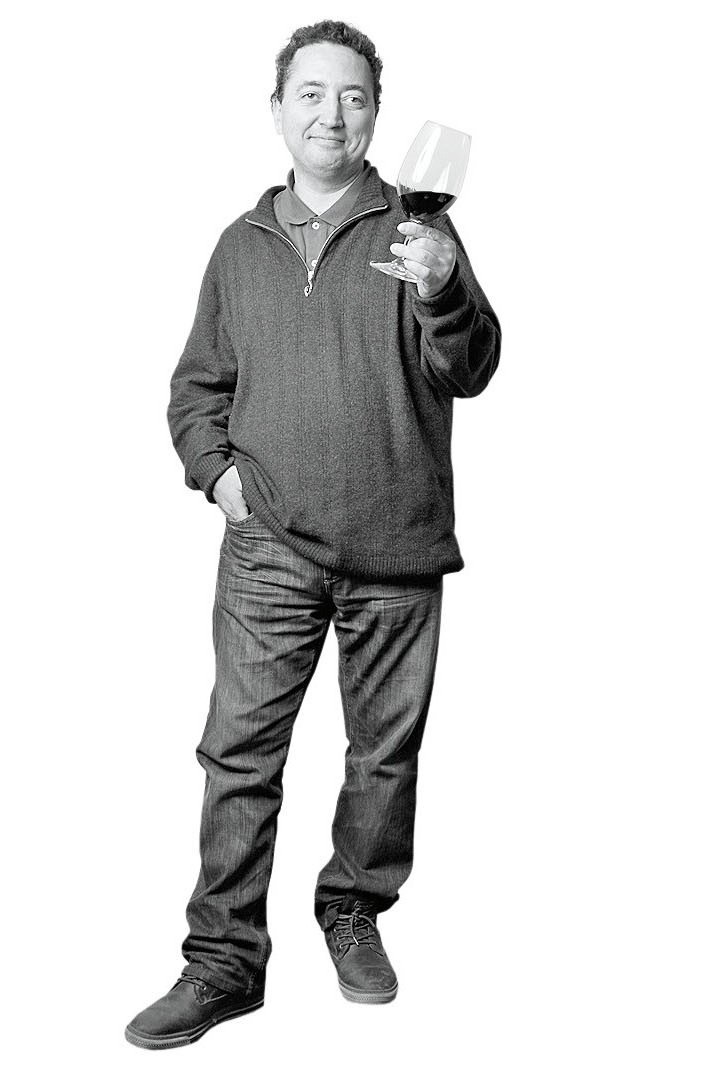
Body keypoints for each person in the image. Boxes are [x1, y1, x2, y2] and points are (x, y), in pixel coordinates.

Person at [125, 19, 501, 1049]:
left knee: (384, 756)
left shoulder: (417, 233)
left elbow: (470, 368)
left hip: (397, 547)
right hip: (269, 548)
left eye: (353, 96)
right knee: (238, 757)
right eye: (311, 94)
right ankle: (223, 962)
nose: (332, 114)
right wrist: (220, 479)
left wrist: (444, 287)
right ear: (278, 110)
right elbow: (195, 389)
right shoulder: (238, 246)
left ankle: (353, 910)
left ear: (376, 112)